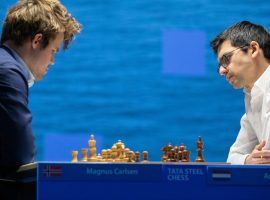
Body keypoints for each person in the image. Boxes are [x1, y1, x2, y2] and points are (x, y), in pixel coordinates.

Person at [0, 0, 81, 177]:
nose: (52, 61)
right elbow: (21, 156)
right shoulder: (8, 74)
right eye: (53, 51)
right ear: (37, 40)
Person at [211, 21, 270, 164]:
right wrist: (247, 160)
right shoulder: (254, 98)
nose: (221, 71)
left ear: (254, 49)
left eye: (226, 59)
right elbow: (233, 157)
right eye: (219, 65)